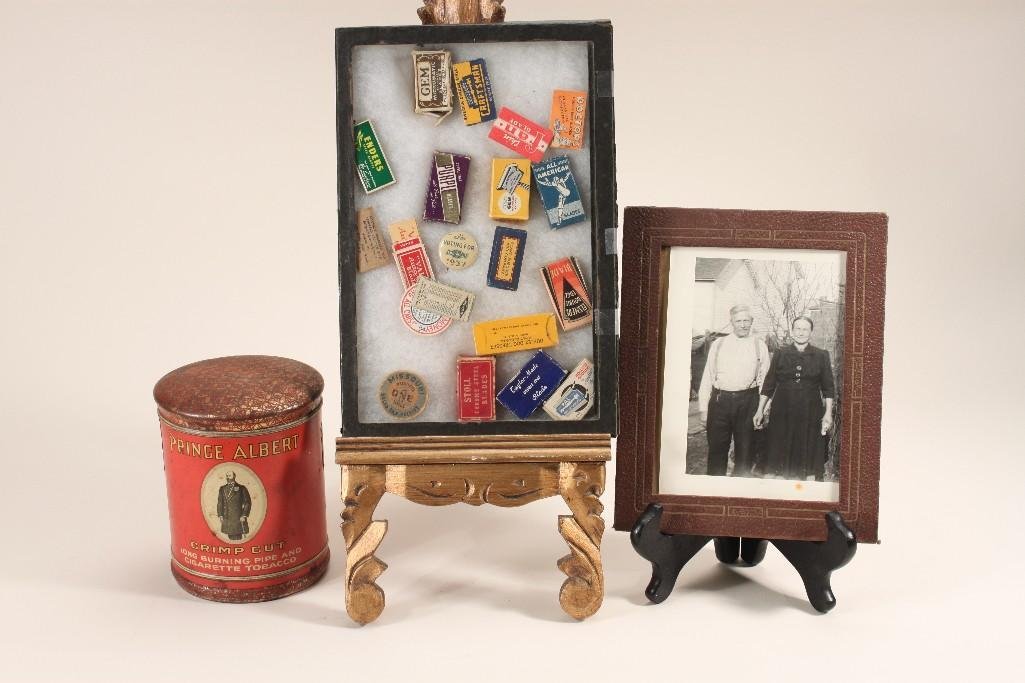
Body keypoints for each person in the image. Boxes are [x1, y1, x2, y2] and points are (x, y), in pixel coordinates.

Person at [754, 316, 836, 481]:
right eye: (798, 329)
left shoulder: (821, 355)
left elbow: (828, 388)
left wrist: (828, 413)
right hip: (782, 409)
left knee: (807, 453)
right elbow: (769, 384)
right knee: (779, 450)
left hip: (810, 410)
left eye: (805, 329)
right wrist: (759, 410)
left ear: (811, 332)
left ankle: (805, 484)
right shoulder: (780, 353)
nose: (801, 332)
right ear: (792, 331)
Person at [698, 304, 770, 477]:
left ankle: (738, 493)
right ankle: (714, 494)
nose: (743, 324)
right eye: (739, 321)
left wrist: (762, 410)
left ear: (752, 322)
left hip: (748, 402)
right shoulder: (718, 344)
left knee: (745, 453)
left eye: (746, 320)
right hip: (719, 401)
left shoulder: (759, 346)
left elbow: (765, 382)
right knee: (716, 450)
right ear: (732, 322)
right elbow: (708, 377)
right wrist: (703, 409)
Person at [216, 471, 252, 541]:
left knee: (238, 538)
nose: (228, 477)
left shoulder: (241, 488)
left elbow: (247, 502)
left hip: (238, 518)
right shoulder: (222, 488)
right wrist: (220, 515)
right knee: (230, 538)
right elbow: (220, 502)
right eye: (227, 476)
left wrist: (244, 515)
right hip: (227, 519)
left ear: (234, 476)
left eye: (230, 475)